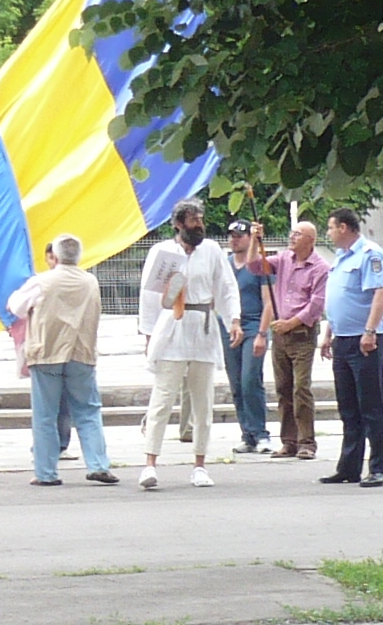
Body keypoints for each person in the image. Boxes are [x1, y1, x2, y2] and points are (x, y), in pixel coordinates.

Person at [136, 200, 241, 489]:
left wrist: (233, 319)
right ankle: (150, 465)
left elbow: (226, 286)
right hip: (171, 328)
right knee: (162, 399)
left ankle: (199, 465)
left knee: (202, 401)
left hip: (203, 328)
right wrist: (148, 335)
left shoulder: (211, 251)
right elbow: (149, 295)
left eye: (201, 219)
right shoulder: (162, 252)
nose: (200, 225)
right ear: (179, 224)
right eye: (194, 220)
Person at [10, 234, 118, 487]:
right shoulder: (90, 281)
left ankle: (46, 472)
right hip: (82, 352)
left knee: (45, 415)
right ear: (79, 257)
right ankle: (98, 465)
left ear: (54, 257)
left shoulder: (41, 282)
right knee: (88, 411)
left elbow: (15, 306)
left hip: (47, 352)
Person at [320, 208, 383, 488]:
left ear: (343, 227)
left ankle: (379, 468)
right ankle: (349, 466)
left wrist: (370, 330)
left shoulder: (370, 254)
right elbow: (338, 300)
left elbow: (381, 292)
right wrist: (328, 333)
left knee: (371, 406)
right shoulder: (341, 258)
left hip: (365, 339)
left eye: (330, 228)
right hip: (342, 338)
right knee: (348, 407)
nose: (328, 233)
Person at [267, 219, 329, 460]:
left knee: (300, 388)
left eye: (298, 234)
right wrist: (255, 241)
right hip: (280, 335)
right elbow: (254, 266)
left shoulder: (320, 267)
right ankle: (288, 441)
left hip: (302, 334)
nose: (292, 237)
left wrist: (290, 323)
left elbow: (316, 305)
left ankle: (307, 442)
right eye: (292, 233)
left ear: (310, 240)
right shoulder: (283, 259)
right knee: (282, 388)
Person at [224, 220, 273, 454]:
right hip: (229, 327)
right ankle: (247, 434)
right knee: (236, 384)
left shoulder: (259, 266)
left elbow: (268, 303)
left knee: (250, 379)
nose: (235, 239)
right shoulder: (225, 265)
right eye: (232, 235)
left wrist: (263, 333)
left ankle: (261, 433)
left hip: (253, 325)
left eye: (240, 236)